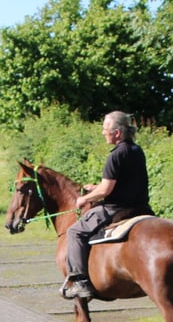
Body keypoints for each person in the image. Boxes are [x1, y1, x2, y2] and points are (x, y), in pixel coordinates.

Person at [60, 111, 154, 299]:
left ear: (117, 133)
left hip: (117, 210)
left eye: (105, 129)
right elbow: (123, 182)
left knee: (74, 232)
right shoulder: (137, 150)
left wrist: (84, 199)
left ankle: (80, 282)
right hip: (141, 208)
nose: (103, 132)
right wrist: (96, 187)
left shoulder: (116, 155)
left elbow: (105, 190)